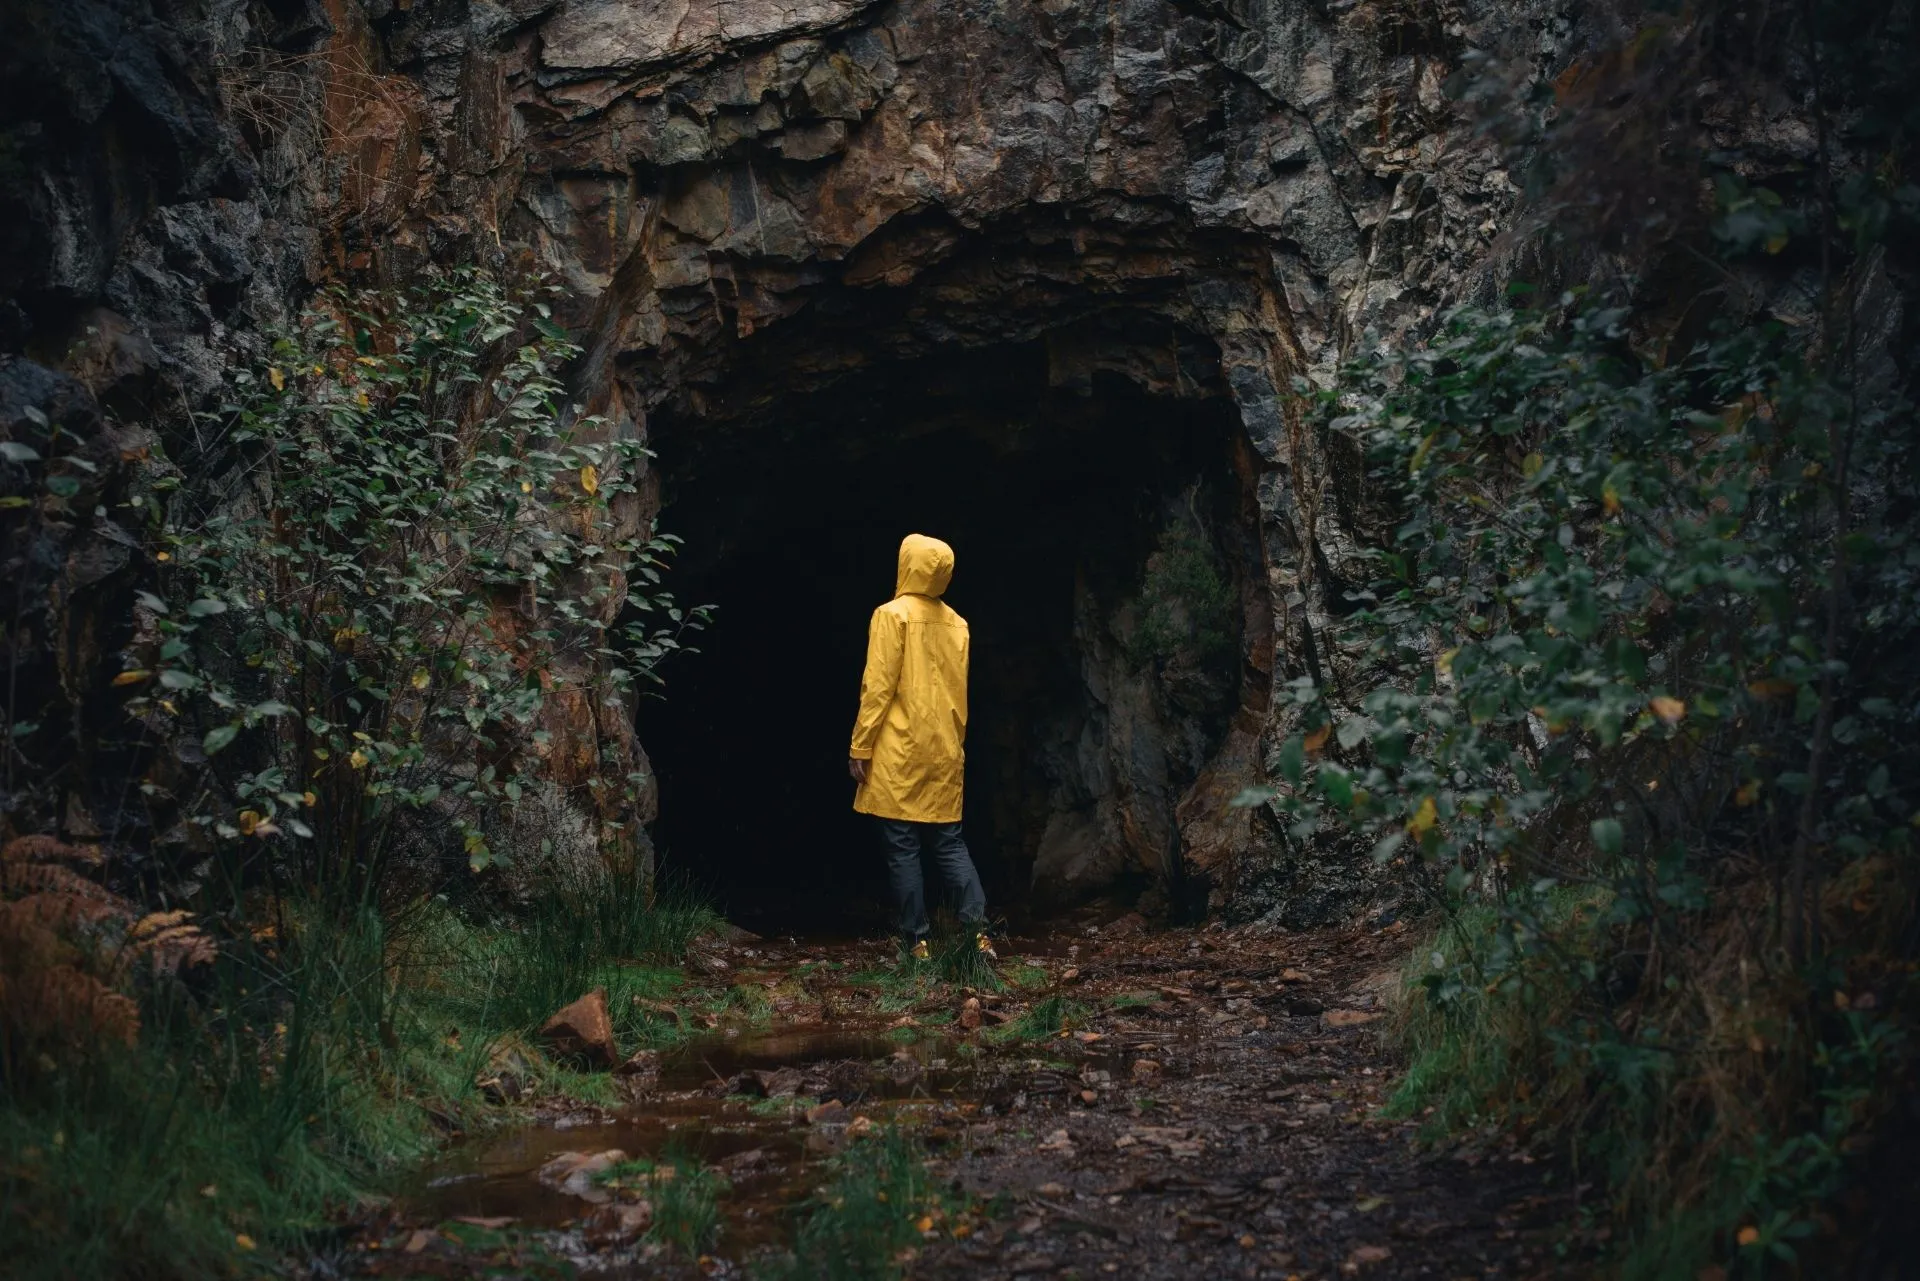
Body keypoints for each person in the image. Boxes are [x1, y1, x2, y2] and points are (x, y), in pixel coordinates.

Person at [848, 533, 995, 961]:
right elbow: (959, 694)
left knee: (902, 846)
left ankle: (917, 942)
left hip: (900, 750)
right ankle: (979, 935)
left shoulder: (891, 616)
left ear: (906, 565)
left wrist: (861, 746)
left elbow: (877, 687)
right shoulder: (958, 624)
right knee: (949, 843)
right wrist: (957, 746)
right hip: (945, 749)